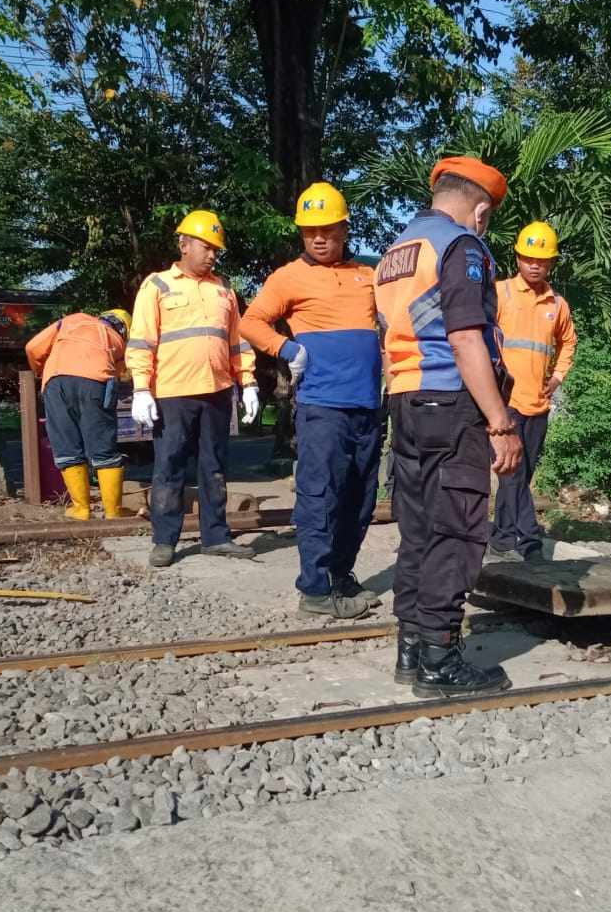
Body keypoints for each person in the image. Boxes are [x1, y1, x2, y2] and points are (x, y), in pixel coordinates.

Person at [375, 155, 524, 698]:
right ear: (480, 210)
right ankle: (441, 660)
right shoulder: (462, 247)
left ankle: (411, 647)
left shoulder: (398, 250)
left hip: (407, 400)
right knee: (456, 529)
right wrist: (500, 422)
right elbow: (465, 338)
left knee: (417, 528)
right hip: (451, 402)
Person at [240, 181, 384, 620]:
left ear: (344, 227)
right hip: (322, 407)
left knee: (361, 496)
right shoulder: (288, 277)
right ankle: (315, 589)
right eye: (309, 231)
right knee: (320, 495)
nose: (318, 237)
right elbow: (251, 322)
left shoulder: (368, 276)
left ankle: (341, 576)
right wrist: (289, 349)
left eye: (327, 229)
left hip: (367, 406)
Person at [127, 209, 259, 567]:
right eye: (206, 246)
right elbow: (141, 340)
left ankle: (215, 536)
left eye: (217, 249)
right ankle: (164, 540)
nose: (213, 254)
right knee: (169, 466)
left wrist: (247, 382)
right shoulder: (157, 286)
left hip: (217, 391)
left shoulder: (224, 290)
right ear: (184, 244)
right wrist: (141, 388)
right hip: (173, 393)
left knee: (214, 465)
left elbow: (237, 341)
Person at [487, 221, 577, 562]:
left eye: (542, 259)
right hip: (505, 404)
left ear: (551, 263)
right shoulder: (501, 294)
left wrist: (557, 378)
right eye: (528, 258)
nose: (534, 264)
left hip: (538, 406)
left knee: (521, 476)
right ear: (519, 258)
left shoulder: (558, 304)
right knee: (511, 473)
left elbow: (568, 342)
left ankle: (501, 537)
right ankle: (529, 541)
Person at [25, 308, 131, 520]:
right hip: (96, 382)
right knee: (103, 445)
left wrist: (41, 370)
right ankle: (113, 511)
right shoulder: (117, 341)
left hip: (56, 382)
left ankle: (81, 509)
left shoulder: (71, 321)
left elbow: (33, 347)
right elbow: (123, 374)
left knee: (66, 443)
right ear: (124, 329)